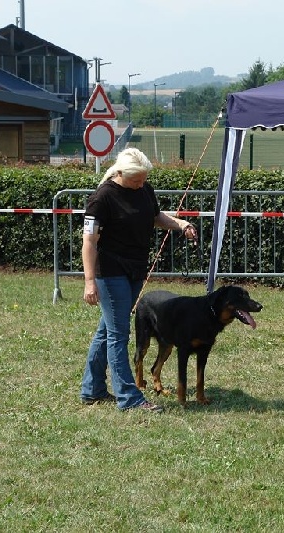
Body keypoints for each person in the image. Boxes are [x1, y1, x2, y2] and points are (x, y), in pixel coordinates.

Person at [80, 147, 197, 412]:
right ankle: (129, 398)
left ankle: (92, 389)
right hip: (110, 272)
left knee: (107, 331)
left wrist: (180, 224)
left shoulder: (145, 190)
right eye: (136, 180)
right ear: (120, 173)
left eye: (144, 179)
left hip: (135, 270)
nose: (141, 184)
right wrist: (89, 281)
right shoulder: (102, 198)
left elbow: (155, 217)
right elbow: (89, 242)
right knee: (118, 335)